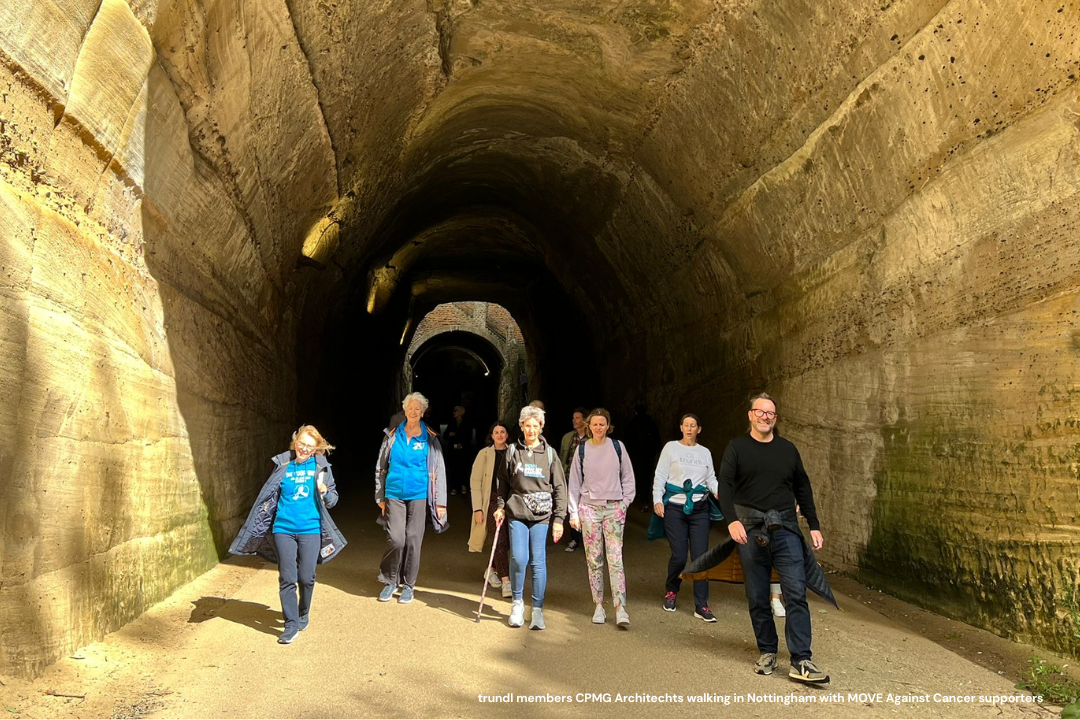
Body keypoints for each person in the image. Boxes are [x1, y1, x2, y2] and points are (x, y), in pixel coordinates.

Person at [719, 392, 829, 684]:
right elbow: (725, 486)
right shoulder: (737, 447)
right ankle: (767, 651)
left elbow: (803, 487)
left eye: (771, 413)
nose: (766, 417)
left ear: (775, 419)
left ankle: (801, 659)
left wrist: (814, 524)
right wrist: (732, 522)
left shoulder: (788, 449)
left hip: (786, 529)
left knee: (795, 592)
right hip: (751, 530)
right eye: (761, 412)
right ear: (751, 415)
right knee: (757, 596)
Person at [229, 425, 347, 644]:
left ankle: (303, 612)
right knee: (287, 577)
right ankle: (290, 624)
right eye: (301, 443)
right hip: (283, 529)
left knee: (306, 577)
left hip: (310, 529)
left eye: (309, 446)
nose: (304, 448)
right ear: (295, 442)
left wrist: (325, 492)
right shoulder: (283, 465)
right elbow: (268, 496)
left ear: (316, 449)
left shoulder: (320, 467)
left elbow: (333, 501)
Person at [493, 405, 566, 630]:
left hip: (542, 515)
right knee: (518, 558)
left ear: (541, 427)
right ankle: (516, 604)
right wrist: (500, 506)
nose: (531, 430)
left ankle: (537, 609)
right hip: (517, 512)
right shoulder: (513, 450)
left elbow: (559, 487)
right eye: (528, 426)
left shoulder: (550, 454)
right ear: (522, 426)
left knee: (538, 561)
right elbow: (502, 481)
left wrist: (559, 519)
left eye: (536, 426)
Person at [374, 392, 448, 604]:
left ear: (422, 412)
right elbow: (380, 466)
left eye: (418, 409)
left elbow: (439, 469)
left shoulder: (430, 437)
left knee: (414, 539)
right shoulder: (392, 435)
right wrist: (379, 494)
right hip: (394, 493)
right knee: (396, 539)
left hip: (418, 493)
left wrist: (441, 502)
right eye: (410, 408)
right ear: (404, 411)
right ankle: (390, 580)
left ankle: (408, 585)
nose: (414, 412)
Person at [567, 408, 635, 627]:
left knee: (615, 559)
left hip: (614, 507)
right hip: (589, 509)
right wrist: (573, 512)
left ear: (608, 425)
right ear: (589, 425)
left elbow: (628, 476)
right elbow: (575, 482)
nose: (598, 428)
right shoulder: (582, 450)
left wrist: (625, 503)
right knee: (594, 559)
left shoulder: (618, 447)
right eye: (595, 424)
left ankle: (620, 608)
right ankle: (598, 605)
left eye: (602, 424)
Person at [652, 413, 719, 623]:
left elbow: (710, 478)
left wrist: (719, 492)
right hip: (675, 507)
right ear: (681, 428)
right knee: (680, 556)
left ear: (699, 429)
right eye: (686, 425)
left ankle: (701, 604)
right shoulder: (671, 448)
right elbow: (661, 475)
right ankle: (672, 590)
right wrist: (657, 499)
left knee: (701, 557)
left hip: (699, 508)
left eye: (693, 425)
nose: (689, 429)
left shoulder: (705, 452)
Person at [469, 422, 512, 598]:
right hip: (492, 501)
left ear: (507, 435)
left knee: (507, 540)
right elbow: (475, 482)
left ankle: (491, 569)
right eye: (496, 432)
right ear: (491, 435)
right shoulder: (484, 454)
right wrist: (477, 508)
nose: (500, 435)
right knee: (499, 539)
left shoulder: (514, 452)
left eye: (503, 432)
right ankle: (506, 581)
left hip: (511, 500)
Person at [559, 408, 589, 552]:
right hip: (570, 477)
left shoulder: (592, 438)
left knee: (588, 508)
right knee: (573, 508)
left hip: (589, 479)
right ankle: (574, 539)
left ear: (585, 420)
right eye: (573, 417)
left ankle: (588, 538)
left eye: (577, 417)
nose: (574, 420)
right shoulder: (568, 438)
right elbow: (562, 457)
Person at [625, 404, 661, 511]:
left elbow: (627, 439)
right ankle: (646, 500)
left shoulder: (632, 424)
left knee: (638, 477)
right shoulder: (651, 423)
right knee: (647, 476)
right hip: (649, 455)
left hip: (636, 455)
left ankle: (641, 499)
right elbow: (657, 438)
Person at [445, 405, 473, 495]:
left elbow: (469, 436)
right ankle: (454, 487)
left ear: (460, 412)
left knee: (463, 468)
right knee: (453, 468)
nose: (454, 412)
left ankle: (463, 485)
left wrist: (462, 444)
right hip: (452, 450)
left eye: (456, 411)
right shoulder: (451, 423)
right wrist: (450, 434)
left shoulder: (467, 423)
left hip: (463, 451)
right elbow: (445, 435)